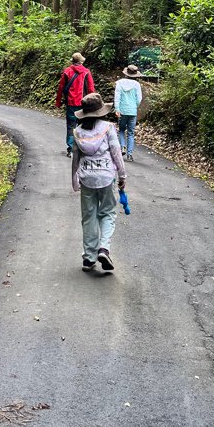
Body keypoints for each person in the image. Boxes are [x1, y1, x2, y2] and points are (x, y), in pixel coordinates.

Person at [71, 93, 126, 272]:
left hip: (86, 178)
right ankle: (103, 248)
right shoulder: (108, 128)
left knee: (89, 216)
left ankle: (89, 257)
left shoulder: (78, 131)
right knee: (108, 213)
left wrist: (74, 179)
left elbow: (75, 157)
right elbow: (116, 153)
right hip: (106, 178)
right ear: (101, 111)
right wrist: (122, 176)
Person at [55, 52, 95, 157]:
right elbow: (91, 89)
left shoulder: (67, 71)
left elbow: (61, 88)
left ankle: (71, 149)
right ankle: (82, 148)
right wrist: (92, 103)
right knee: (83, 125)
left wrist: (58, 101)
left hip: (71, 103)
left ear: (72, 61)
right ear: (81, 61)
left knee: (71, 126)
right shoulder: (86, 72)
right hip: (84, 104)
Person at [114, 63, 143, 162]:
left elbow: (117, 97)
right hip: (132, 111)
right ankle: (130, 154)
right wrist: (135, 106)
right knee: (130, 133)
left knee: (121, 130)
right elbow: (139, 99)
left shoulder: (119, 83)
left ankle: (123, 147)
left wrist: (117, 109)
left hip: (122, 110)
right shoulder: (137, 85)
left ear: (126, 73)